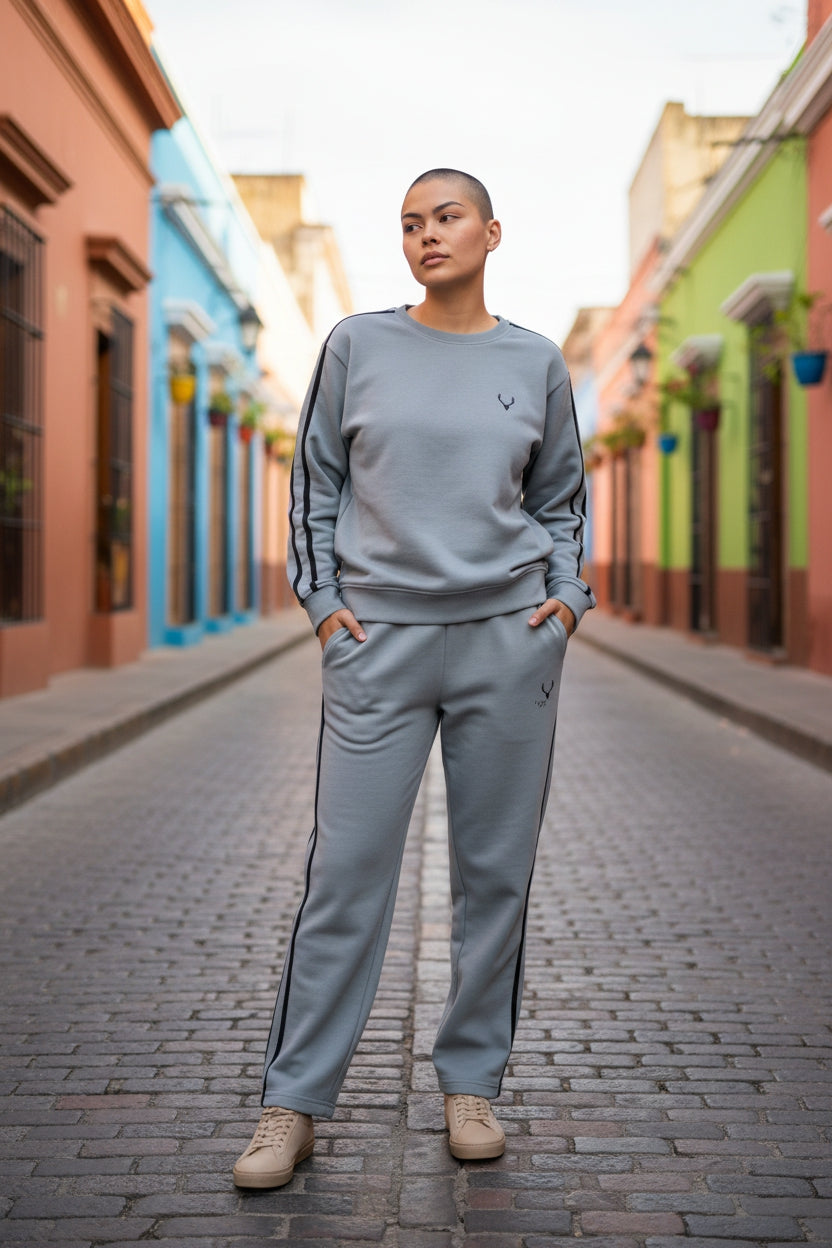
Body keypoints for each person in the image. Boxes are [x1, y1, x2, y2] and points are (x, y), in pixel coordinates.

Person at [233, 168, 595, 1189]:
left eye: (444, 218)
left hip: (506, 641)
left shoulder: (533, 361)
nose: (424, 236)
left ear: (490, 231)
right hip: (378, 645)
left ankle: (470, 1082)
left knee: (495, 878)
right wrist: (324, 606)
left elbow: (563, 495)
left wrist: (564, 602)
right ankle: (290, 1104)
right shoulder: (356, 346)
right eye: (407, 223)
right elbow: (316, 482)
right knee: (344, 879)